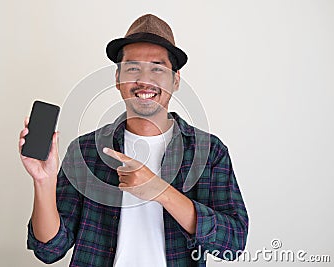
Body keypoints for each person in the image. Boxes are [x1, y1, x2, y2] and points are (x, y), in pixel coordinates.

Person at [19, 14, 248, 267]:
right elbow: (50, 249)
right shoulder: (84, 152)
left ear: (176, 79)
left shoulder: (208, 152)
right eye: (133, 68)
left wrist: (160, 191)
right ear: (118, 79)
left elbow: (233, 242)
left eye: (157, 68)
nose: (144, 80)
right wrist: (44, 181)